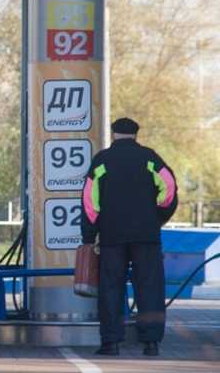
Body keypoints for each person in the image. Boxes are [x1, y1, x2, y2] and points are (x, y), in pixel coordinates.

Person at [81, 118, 178, 356]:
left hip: (112, 236)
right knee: (149, 288)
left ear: (113, 134)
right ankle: (151, 343)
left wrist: (89, 234)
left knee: (111, 288)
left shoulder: (102, 161)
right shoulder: (150, 158)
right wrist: (158, 217)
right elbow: (169, 189)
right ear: (136, 134)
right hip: (146, 235)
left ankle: (111, 343)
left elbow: (89, 201)